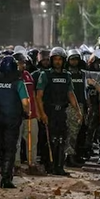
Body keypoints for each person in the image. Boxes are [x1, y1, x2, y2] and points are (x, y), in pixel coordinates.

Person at [0, 56, 30, 188]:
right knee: (10, 148)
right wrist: (27, 112)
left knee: (2, 145)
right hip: (13, 119)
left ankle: (0, 169)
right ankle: (6, 178)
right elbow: (25, 102)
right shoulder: (18, 82)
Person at [35, 47, 83, 176]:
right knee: (50, 140)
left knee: (62, 139)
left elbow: (71, 94)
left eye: (60, 59)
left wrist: (77, 110)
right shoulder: (45, 75)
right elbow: (39, 96)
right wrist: (42, 113)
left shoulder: (67, 75)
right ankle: (48, 166)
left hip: (62, 111)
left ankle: (59, 166)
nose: (57, 62)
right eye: (55, 59)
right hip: (49, 111)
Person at [65, 49, 87, 168]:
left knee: (77, 132)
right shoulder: (66, 73)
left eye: (76, 59)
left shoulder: (82, 73)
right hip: (69, 106)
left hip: (80, 105)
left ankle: (73, 155)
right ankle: (69, 157)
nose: (74, 61)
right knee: (70, 133)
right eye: (72, 59)